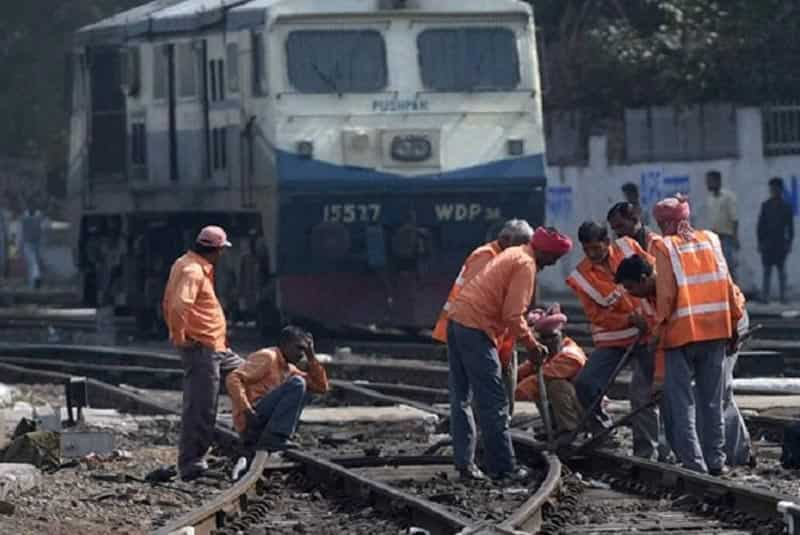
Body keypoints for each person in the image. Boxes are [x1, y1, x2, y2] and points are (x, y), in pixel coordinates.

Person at [446, 226, 572, 481]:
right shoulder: (526, 265)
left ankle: (465, 465)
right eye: (554, 258)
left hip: (457, 320)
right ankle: (503, 468)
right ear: (546, 252)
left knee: (461, 398)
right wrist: (532, 345)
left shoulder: (515, 252)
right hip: (476, 328)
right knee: (494, 402)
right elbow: (512, 315)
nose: (553, 264)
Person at [616, 254, 753, 467]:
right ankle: (706, 457)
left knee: (715, 393)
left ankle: (736, 456)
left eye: (631, 287)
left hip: (726, 322)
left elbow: (666, 342)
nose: (630, 294)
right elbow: (663, 339)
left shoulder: (669, 289)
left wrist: (733, 332)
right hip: (702, 328)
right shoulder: (653, 295)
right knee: (704, 393)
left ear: (644, 279)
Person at [649, 196, 744, 475]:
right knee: (712, 400)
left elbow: (666, 295)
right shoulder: (712, 240)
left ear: (665, 222)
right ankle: (716, 460)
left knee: (683, 403)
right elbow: (728, 285)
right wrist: (735, 323)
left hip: (681, 334)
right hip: (716, 330)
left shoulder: (664, 246)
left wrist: (658, 328)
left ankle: (695, 465)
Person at [567, 222, 659, 459]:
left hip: (648, 335)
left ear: (607, 242)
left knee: (643, 394)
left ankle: (646, 451)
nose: (593, 255)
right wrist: (628, 319)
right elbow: (596, 315)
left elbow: (655, 276)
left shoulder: (628, 247)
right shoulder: (581, 276)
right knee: (585, 383)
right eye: (587, 250)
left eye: (597, 248)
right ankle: (603, 432)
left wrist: (650, 320)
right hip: (613, 341)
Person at [162, 225, 245, 481]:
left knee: (255, 375)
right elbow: (177, 306)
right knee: (201, 407)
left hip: (217, 348)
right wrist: (180, 337)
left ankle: (256, 442)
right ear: (217, 250)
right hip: (201, 348)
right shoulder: (192, 270)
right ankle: (191, 464)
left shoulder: (187, 263)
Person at [433, 219, 534, 416]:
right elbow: (479, 305)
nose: (524, 250)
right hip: (476, 333)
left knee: (500, 397)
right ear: (505, 239)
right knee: (483, 398)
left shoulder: (510, 260)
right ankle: (483, 441)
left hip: (498, 337)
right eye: (521, 244)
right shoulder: (485, 257)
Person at [226, 326, 328, 451]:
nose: (302, 354)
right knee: (298, 383)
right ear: (284, 345)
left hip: (261, 423)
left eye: (304, 350)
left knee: (304, 388)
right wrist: (247, 410)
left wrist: (311, 356)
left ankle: (275, 435)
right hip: (251, 420)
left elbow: (321, 387)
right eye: (299, 348)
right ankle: (274, 437)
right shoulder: (268, 357)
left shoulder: (288, 368)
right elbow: (233, 378)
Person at [515, 306, 586, 435]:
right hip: (575, 404)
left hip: (587, 409)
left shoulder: (570, 355)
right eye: (543, 339)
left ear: (560, 336)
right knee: (541, 387)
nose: (548, 342)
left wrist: (512, 393)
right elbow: (528, 367)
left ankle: (570, 429)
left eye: (551, 337)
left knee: (555, 385)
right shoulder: (549, 354)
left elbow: (542, 377)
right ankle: (554, 427)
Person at [757, 177, 794, 303]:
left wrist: (789, 243)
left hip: (780, 243)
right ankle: (765, 297)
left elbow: (790, 228)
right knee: (767, 271)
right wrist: (760, 243)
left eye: (776, 188)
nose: (774, 191)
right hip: (767, 243)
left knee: (781, 272)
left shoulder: (786, 207)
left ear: (781, 189)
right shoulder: (766, 205)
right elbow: (760, 226)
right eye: (772, 189)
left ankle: (783, 297)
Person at [705, 170, 739, 279]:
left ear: (717, 181)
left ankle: (734, 292)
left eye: (710, 181)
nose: (707, 184)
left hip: (726, 237)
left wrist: (735, 237)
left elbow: (734, 219)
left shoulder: (728, 197)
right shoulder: (710, 200)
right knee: (717, 268)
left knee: (729, 267)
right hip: (714, 237)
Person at [20, 201, 44, 289]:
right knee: (33, 263)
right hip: (29, 243)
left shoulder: (38, 215)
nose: (32, 208)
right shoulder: (25, 217)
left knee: (34, 263)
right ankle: (34, 281)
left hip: (35, 243)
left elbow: (42, 227)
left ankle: (34, 281)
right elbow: (22, 231)